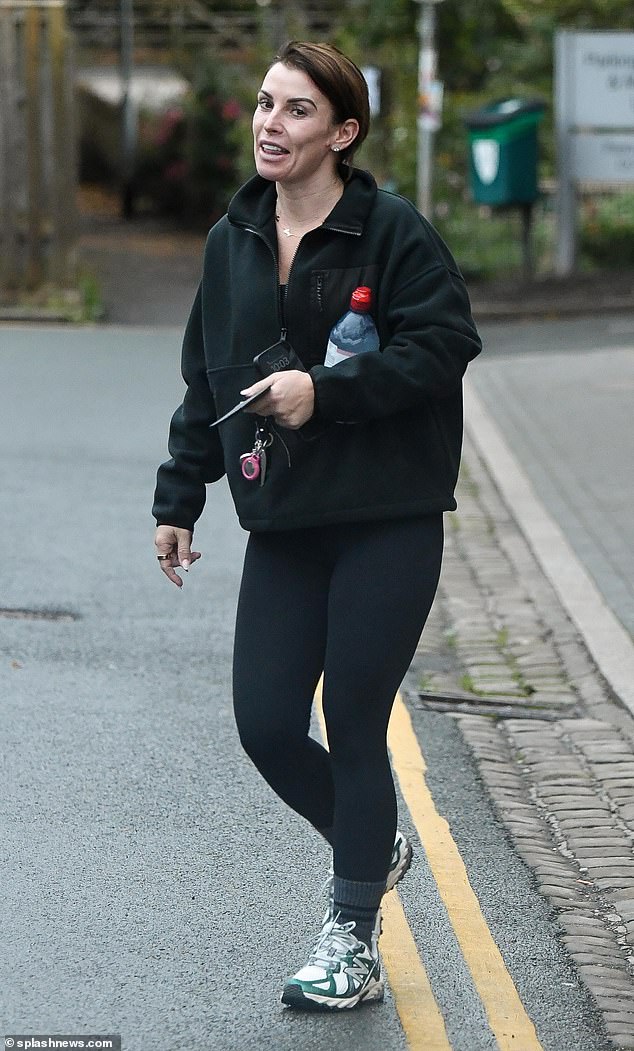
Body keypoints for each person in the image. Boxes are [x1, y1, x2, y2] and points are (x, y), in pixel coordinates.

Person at [153, 40, 481, 1012]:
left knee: (353, 723)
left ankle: (350, 936)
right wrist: (180, 496)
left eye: (296, 111)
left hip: (386, 517)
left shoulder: (389, 232)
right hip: (286, 522)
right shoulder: (231, 240)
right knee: (263, 722)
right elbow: (203, 378)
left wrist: (324, 392)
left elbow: (445, 342)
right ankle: (369, 842)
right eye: (263, 104)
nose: (269, 123)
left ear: (341, 132)